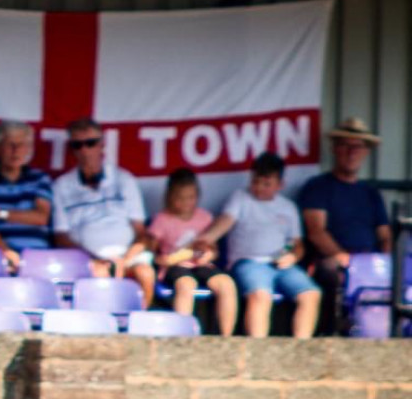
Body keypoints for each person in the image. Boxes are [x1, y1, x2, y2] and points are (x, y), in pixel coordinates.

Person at [196, 152, 320, 338]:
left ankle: (301, 349)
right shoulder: (241, 198)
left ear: (280, 185)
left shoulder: (288, 208)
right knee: (261, 295)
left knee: (311, 294)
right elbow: (225, 221)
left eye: (267, 183)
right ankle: (258, 348)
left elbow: (298, 244)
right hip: (249, 263)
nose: (259, 188)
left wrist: (293, 256)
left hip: (283, 265)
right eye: (255, 181)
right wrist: (205, 239)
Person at [298, 117, 392, 335]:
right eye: (345, 146)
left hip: (371, 262)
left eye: (357, 147)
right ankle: (331, 333)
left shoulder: (370, 193)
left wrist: (387, 263)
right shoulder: (318, 187)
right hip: (335, 260)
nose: (351, 152)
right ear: (335, 149)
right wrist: (343, 257)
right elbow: (316, 231)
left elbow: (385, 235)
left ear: (366, 152)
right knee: (331, 273)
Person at [51, 118, 155, 307]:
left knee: (145, 273)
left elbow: (141, 232)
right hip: (87, 259)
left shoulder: (124, 179)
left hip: (127, 256)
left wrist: (125, 260)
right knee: (98, 274)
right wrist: (93, 260)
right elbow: (61, 236)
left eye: (90, 143)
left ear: (102, 145)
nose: (85, 150)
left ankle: (138, 328)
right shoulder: (61, 185)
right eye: (78, 145)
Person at [148, 168, 238, 336]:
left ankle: (227, 337)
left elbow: (214, 250)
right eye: (180, 198)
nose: (185, 203)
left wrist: (208, 255)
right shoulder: (162, 219)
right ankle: (183, 335)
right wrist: (167, 260)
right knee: (186, 285)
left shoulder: (204, 217)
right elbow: (152, 253)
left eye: (190, 197)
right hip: (175, 266)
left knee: (226, 284)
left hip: (201, 264)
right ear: (170, 197)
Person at [0, 120, 53, 272]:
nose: (16, 151)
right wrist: (6, 253)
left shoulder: (39, 178)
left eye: (22, 145)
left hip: (39, 258)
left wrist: (0, 213)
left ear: (29, 149)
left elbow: (41, 217)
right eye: (10, 145)